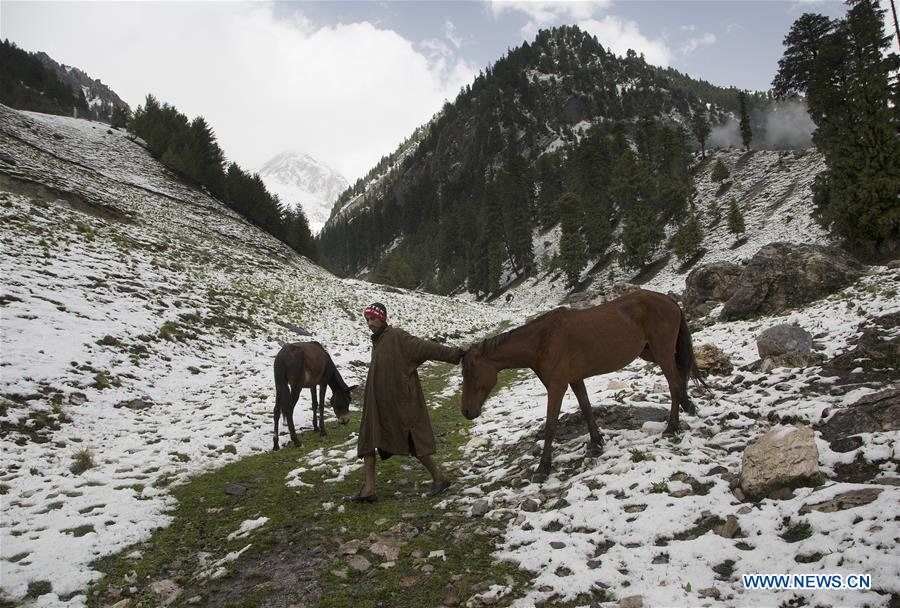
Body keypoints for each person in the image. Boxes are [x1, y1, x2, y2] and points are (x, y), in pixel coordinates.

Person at [344, 302, 465, 503]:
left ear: (383, 319)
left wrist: (454, 354)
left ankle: (439, 478)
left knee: (412, 440)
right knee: (368, 440)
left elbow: (426, 348)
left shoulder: (398, 337)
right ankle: (368, 489)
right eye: (367, 319)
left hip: (397, 403)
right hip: (377, 403)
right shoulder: (379, 340)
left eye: (373, 319)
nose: (370, 323)